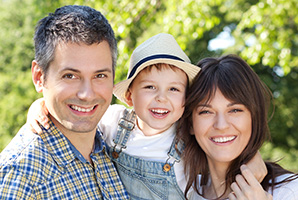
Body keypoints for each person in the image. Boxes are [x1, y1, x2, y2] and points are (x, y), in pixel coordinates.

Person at [26, 34, 268, 199]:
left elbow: (223, 144)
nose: (161, 98)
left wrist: (253, 161)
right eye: (150, 87)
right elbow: (78, 119)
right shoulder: (113, 120)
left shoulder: (187, 135)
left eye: (173, 89)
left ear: (185, 101)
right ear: (130, 97)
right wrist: (40, 105)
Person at [0, 5, 129, 199]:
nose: (87, 94)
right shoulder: (19, 177)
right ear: (38, 77)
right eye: (70, 76)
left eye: (100, 75)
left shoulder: (116, 144)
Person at [177, 54, 298, 200]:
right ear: (190, 124)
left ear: (254, 117)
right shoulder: (182, 191)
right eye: (206, 112)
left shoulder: (289, 191)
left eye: (235, 110)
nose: (221, 125)